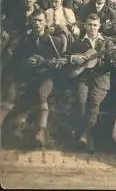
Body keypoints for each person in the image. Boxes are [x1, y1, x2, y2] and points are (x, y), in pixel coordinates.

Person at [0, 10, 68, 146]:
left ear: (45, 23)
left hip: (46, 76)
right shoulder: (25, 40)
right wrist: (25, 62)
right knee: (11, 92)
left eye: (40, 21)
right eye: (35, 21)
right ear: (31, 22)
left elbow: (61, 63)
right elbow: (16, 60)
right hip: (27, 75)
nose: (37, 23)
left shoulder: (53, 42)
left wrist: (43, 61)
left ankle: (41, 132)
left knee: (41, 93)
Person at [67, 13, 116, 151]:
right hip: (83, 77)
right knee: (81, 101)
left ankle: (87, 136)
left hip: (101, 79)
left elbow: (113, 66)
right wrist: (74, 58)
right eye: (89, 24)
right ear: (85, 25)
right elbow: (66, 57)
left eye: (95, 25)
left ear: (99, 26)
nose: (92, 28)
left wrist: (112, 57)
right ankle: (86, 135)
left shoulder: (107, 42)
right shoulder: (79, 42)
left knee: (94, 103)